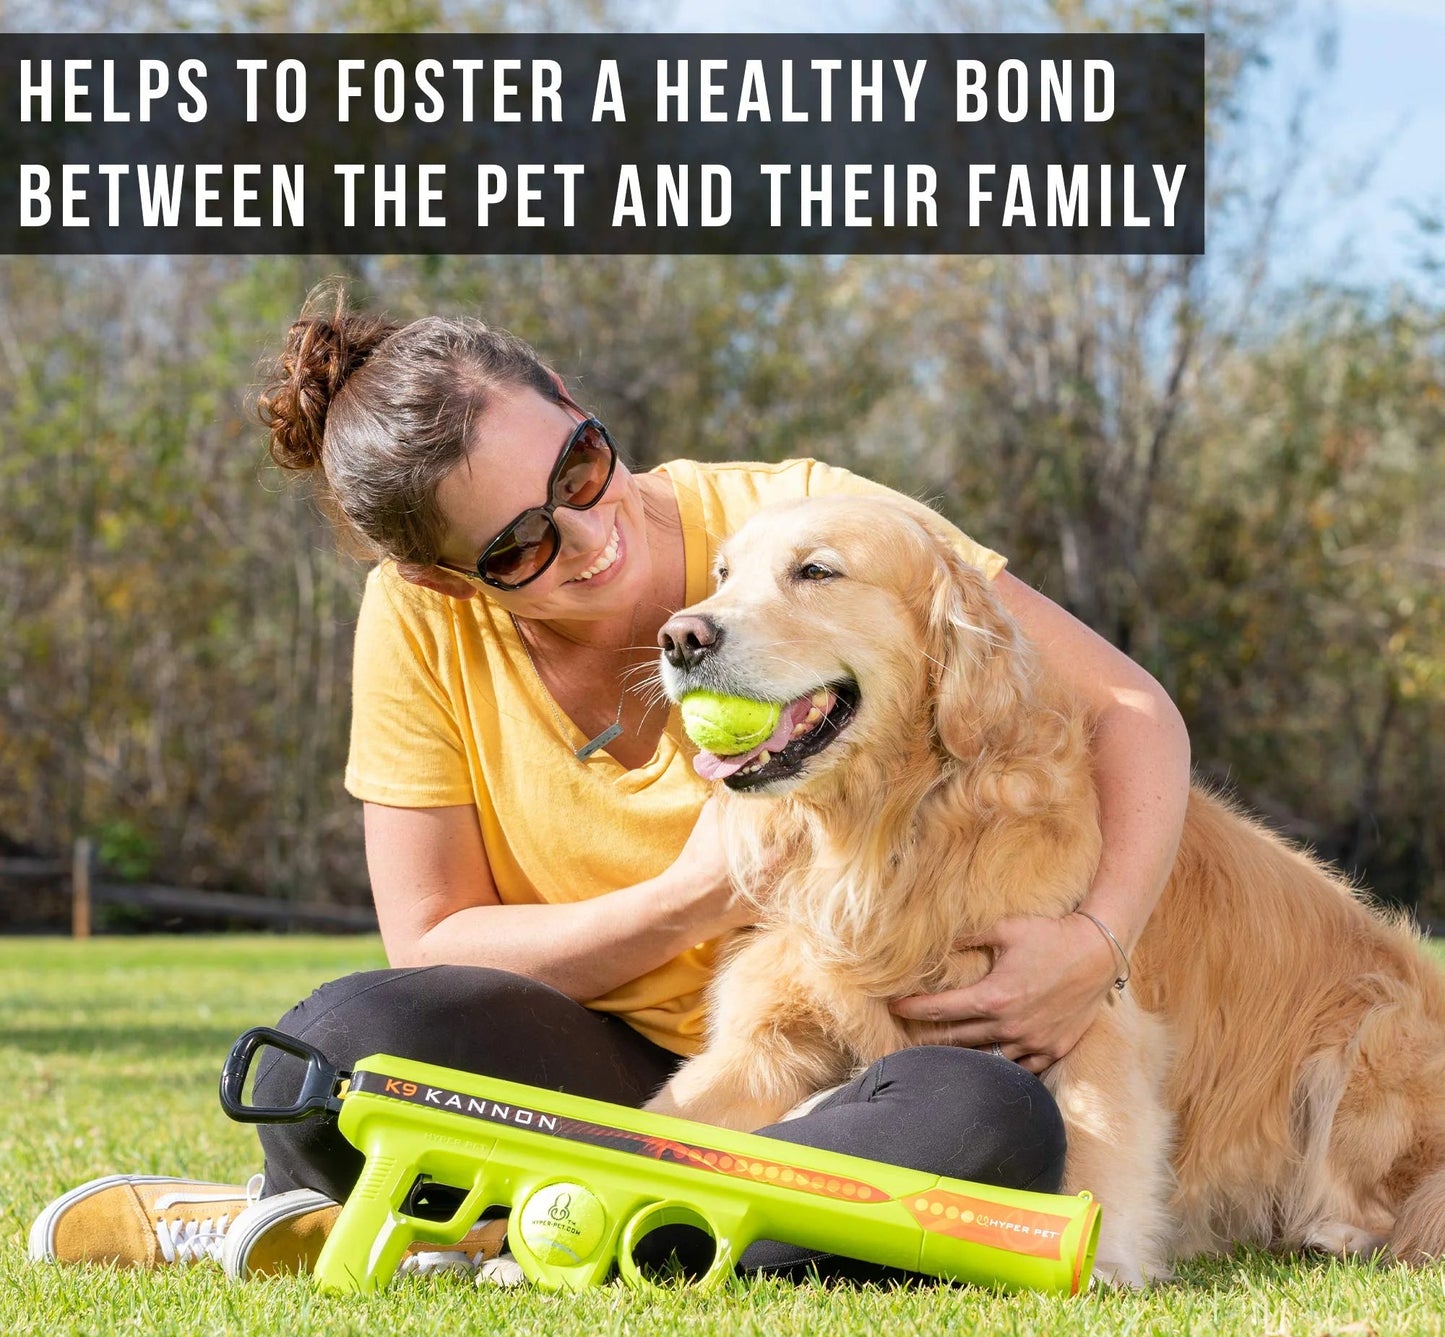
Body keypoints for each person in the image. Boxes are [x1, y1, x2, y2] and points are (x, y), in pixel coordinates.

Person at [30, 286, 1191, 1282]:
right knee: (346, 1049)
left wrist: (1097, 939)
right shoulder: (417, 627)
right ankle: (636, 1225)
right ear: (443, 582)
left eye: (579, 464)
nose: (591, 536)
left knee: (983, 1122)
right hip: (597, 1066)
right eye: (521, 549)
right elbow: (431, 939)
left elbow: (1127, 708)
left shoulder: (792, 519)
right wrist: (692, 896)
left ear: (577, 399)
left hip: (839, 1073)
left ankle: (490, 1238)